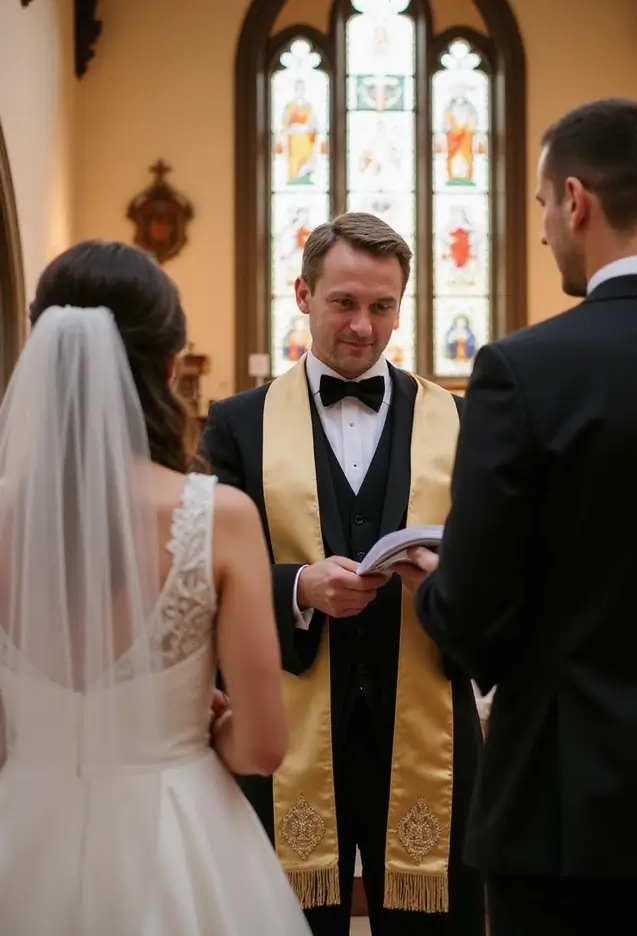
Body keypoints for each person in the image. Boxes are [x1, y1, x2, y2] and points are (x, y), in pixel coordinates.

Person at [412, 98, 637, 935]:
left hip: (569, 815)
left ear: (575, 200)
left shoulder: (525, 370)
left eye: (543, 206)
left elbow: (473, 618)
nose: (543, 230)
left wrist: (439, 590)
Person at [0, 241, 312, 936]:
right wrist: (194, 724)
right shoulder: (217, 516)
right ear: (170, 366)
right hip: (174, 833)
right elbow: (263, 746)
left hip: (21, 830)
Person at [201, 212, 485, 936]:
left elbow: (502, 567)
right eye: (344, 302)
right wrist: (299, 588)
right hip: (285, 723)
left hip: (429, 731)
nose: (363, 325)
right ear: (303, 293)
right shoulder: (237, 424)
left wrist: (449, 582)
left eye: (382, 306)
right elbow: (201, 576)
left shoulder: (460, 420)